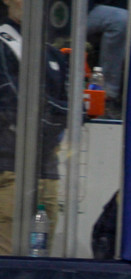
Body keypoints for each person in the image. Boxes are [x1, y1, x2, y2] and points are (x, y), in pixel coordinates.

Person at [0, 0, 68, 256]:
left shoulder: (53, 55)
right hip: (10, 171)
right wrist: (53, 114)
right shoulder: (3, 44)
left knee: (39, 263)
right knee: (9, 263)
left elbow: (75, 109)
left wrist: (46, 112)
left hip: (46, 173)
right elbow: (13, 105)